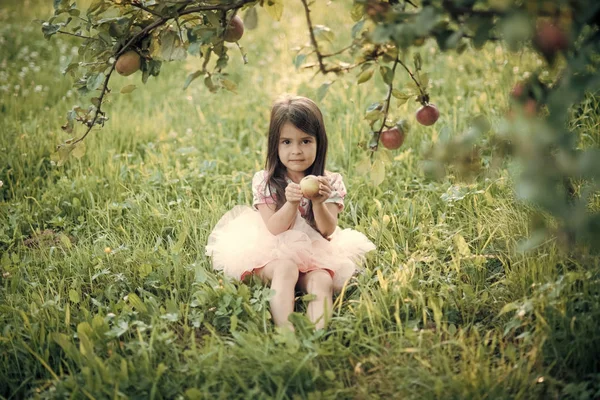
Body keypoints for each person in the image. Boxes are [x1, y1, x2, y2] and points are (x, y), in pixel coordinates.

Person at [205, 95, 375, 331]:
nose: (297, 150)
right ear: (275, 145)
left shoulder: (330, 182)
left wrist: (318, 202)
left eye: (306, 141)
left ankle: (316, 335)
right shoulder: (266, 181)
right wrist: (291, 203)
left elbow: (327, 230)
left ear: (319, 143)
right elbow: (274, 228)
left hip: (316, 252)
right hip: (272, 252)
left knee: (322, 279)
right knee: (286, 268)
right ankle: (287, 332)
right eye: (287, 142)